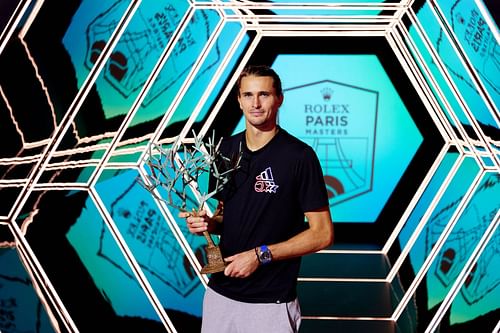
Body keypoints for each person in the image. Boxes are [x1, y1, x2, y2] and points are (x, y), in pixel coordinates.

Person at [180, 64, 334, 333]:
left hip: (270, 302)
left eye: (264, 94)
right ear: (239, 100)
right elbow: (225, 212)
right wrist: (209, 224)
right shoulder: (225, 149)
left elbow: (322, 234)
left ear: (279, 99)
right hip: (220, 294)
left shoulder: (299, 156)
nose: (256, 103)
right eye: (248, 95)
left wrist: (260, 255)